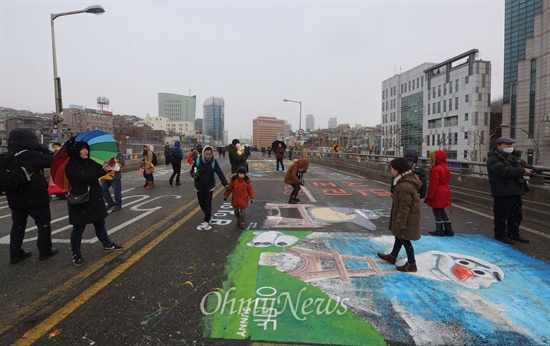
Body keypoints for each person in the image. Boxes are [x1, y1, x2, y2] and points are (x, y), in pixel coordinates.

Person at [65, 139, 123, 266]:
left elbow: (99, 170)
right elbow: (85, 177)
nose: (85, 151)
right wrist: (102, 171)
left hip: (94, 197)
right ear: (75, 151)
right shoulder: (71, 166)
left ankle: (107, 244)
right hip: (81, 199)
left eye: (86, 148)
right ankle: (76, 253)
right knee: (78, 228)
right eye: (81, 149)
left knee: (99, 222)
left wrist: (107, 167)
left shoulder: (90, 162)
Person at [5, 129, 58, 264]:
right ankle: (45, 250)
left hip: (15, 198)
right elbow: (55, 161)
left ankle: (15, 253)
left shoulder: (8, 157)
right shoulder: (31, 155)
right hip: (35, 197)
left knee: (18, 225)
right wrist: (43, 148)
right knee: (43, 223)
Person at [377, 157, 422, 272]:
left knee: (405, 240)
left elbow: (404, 207)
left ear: (398, 170)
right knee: (399, 237)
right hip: (407, 217)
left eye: (392, 168)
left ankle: (412, 264)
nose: (391, 171)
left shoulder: (404, 186)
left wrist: (400, 222)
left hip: (407, 218)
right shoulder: (403, 182)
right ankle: (393, 256)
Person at [487, 136, 533, 244]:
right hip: (502, 190)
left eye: (511, 145)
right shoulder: (493, 158)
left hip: (516, 189)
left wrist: (531, 170)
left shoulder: (513, 156)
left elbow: (523, 164)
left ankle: (513, 233)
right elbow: (503, 170)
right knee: (501, 215)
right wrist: (522, 170)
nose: (510, 147)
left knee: (516, 215)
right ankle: (500, 235)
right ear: (499, 146)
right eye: (507, 144)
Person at [191, 146, 229, 231]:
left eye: (210, 154)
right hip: (199, 186)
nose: (208, 156)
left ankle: (206, 220)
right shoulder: (197, 161)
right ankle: (208, 215)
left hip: (209, 186)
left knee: (208, 203)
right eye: (206, 154)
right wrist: (194, 174)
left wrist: (225, 184)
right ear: (203, 153)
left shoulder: (213, 162)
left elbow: (220, 173)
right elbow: (192, 171)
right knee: (202, 204)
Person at [425, 150, 454, 236]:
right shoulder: (445, 168)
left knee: (436, 210)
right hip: (445, 191)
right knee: (441, 209)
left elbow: (433, 184)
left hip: (438, 192)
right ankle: (448, 229)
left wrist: (429, 196)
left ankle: (439, 229)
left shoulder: (436, 169)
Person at [100, 145, 125, 212]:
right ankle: (110, 202)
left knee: (117, 191)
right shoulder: (106, 154)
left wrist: (115, 162)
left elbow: (121, 164)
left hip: (115, 176)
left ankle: (118, 205)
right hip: (106, 176)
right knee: (103, 189)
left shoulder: (118, 154)